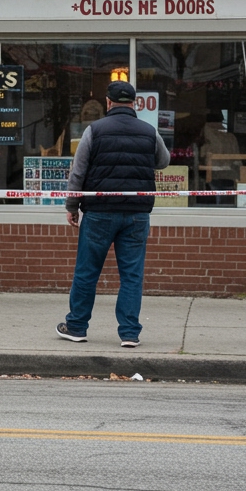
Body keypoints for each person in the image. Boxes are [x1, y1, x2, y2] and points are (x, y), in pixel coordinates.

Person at [58, 81, 169, 347]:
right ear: (134, 104)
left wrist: (72, 206)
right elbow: (163, 161)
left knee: (87, 272)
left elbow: (78, 172)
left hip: (99, 212)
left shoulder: (94, 130)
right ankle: (129, 333)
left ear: (108, 103)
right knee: (131, 275)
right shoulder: (148, 131)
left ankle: (76, 327)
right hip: (136, 214)